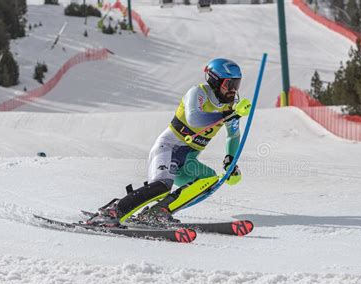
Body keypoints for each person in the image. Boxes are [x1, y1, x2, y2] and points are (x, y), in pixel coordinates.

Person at [87, 58, 251, 227]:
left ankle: (159, 212)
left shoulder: (230, 107)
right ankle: (113, 211)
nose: (233, 91)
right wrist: (226, 115)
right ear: (215, 81)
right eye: (229, 84)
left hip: (186, 162)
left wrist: (230, 161)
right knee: (162, 186)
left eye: (236, 85)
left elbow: (233, 135)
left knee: (209, 180)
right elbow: (194, 119)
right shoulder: (198, 93)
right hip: (168, 148)